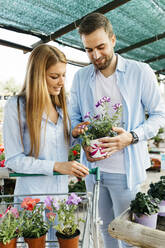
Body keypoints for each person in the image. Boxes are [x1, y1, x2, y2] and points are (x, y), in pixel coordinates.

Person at [70, 13, 165, 248]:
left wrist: (131, 137)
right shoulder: (81, 77)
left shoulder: (140, 72)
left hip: (127, 170)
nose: (95, 55)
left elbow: (159, 115)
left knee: (130, 233)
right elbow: (74, 119)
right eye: (89, 50)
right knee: (104, 227)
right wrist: (80, 137)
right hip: (94, 171)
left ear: (113, 39)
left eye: (100, 47)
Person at [3, 44, 89, 245]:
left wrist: (75, 135)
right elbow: (14, 160)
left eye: (63, 75)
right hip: (32, 199)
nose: (61, 82)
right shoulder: (17, 106)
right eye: (54, 76)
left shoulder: (60, 106)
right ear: (38, 75)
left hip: (60, 200)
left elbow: (58, 146)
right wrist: (57, 166)